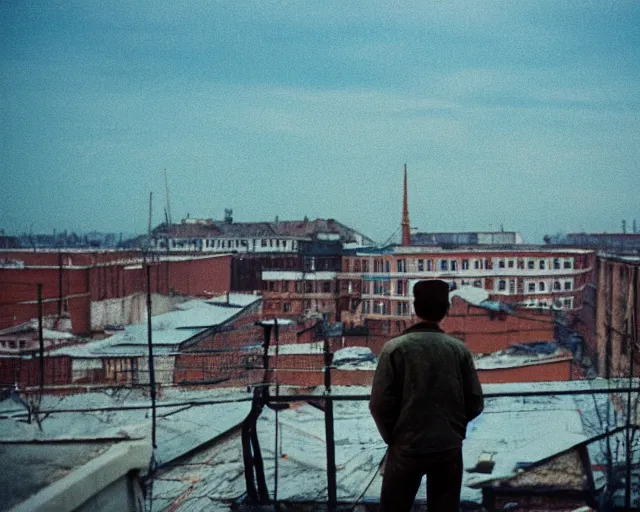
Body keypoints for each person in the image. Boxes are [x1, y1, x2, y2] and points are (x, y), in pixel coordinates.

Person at [369, 279, 484, 512]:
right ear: (446, 310)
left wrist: (394, 437)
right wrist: (453, 429)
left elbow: (379, 404)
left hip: (406, 447)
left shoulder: (394, 348)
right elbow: (475, 402)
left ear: (415, 307)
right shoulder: (458, 350)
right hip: (447, 448)